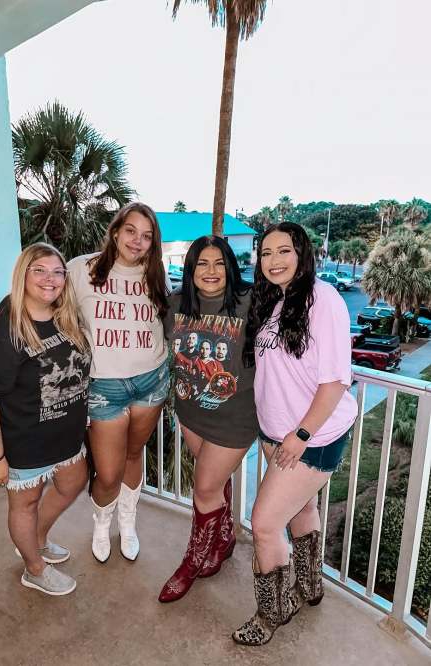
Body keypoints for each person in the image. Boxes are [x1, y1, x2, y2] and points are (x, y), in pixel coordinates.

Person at [232, 222, 358, 646]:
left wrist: (301, 434)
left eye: (283, 250)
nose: (274, 261)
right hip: (276, 433)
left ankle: (272, 613)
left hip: (310, 438)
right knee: (302, 509)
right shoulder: (275, 300)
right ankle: (309, 585)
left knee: (264, 523)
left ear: (302, 253)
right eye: (266, 253)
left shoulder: (324, 299)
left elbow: (335, 381)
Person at [0, 243, 91, 596]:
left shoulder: (65, 316)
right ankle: (34, 569)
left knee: (73, 482)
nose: (49, 279)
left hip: (65, 435)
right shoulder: (1, 330)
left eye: (57, 272)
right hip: (24, 440)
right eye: (39, 270)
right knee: (26, 503)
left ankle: (35, 540)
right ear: (23, 274)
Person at [68, 202, 169, 563]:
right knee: (108, 473)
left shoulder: (156, 275)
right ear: (115, 231)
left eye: (147, 236)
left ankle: (127, 522)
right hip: (104, 388)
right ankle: (101, 522)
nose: (137, 241)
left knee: (133, 454)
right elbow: (51, 309)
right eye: (130, 231)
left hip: (151, 382)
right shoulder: (80, 269)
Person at [158, 235, 258, 602]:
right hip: (190, 411)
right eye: (202, 263)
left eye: (219, 263)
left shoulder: (252, 302)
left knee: (203, 488)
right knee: (214, 482)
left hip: (235, 417)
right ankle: (224, 537)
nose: (211, 271)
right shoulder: (176, 303)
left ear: (230, 267)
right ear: (190, 269)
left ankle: (192, 562)